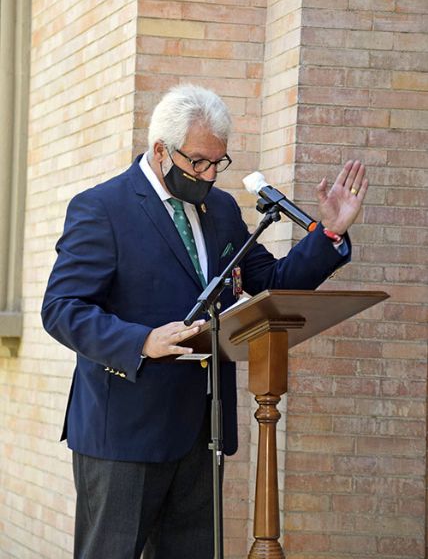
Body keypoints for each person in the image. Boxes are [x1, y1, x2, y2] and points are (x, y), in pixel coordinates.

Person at [41, 84, 368, 559]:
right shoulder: (102, 207)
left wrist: (330, 232)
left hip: (201, 428)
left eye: (218, 163)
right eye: (198, 162)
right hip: (123, 433)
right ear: (160, 150)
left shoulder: (221, 211)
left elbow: (270, 279)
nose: (209, 174)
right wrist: (142, 340)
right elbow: (62, 308)